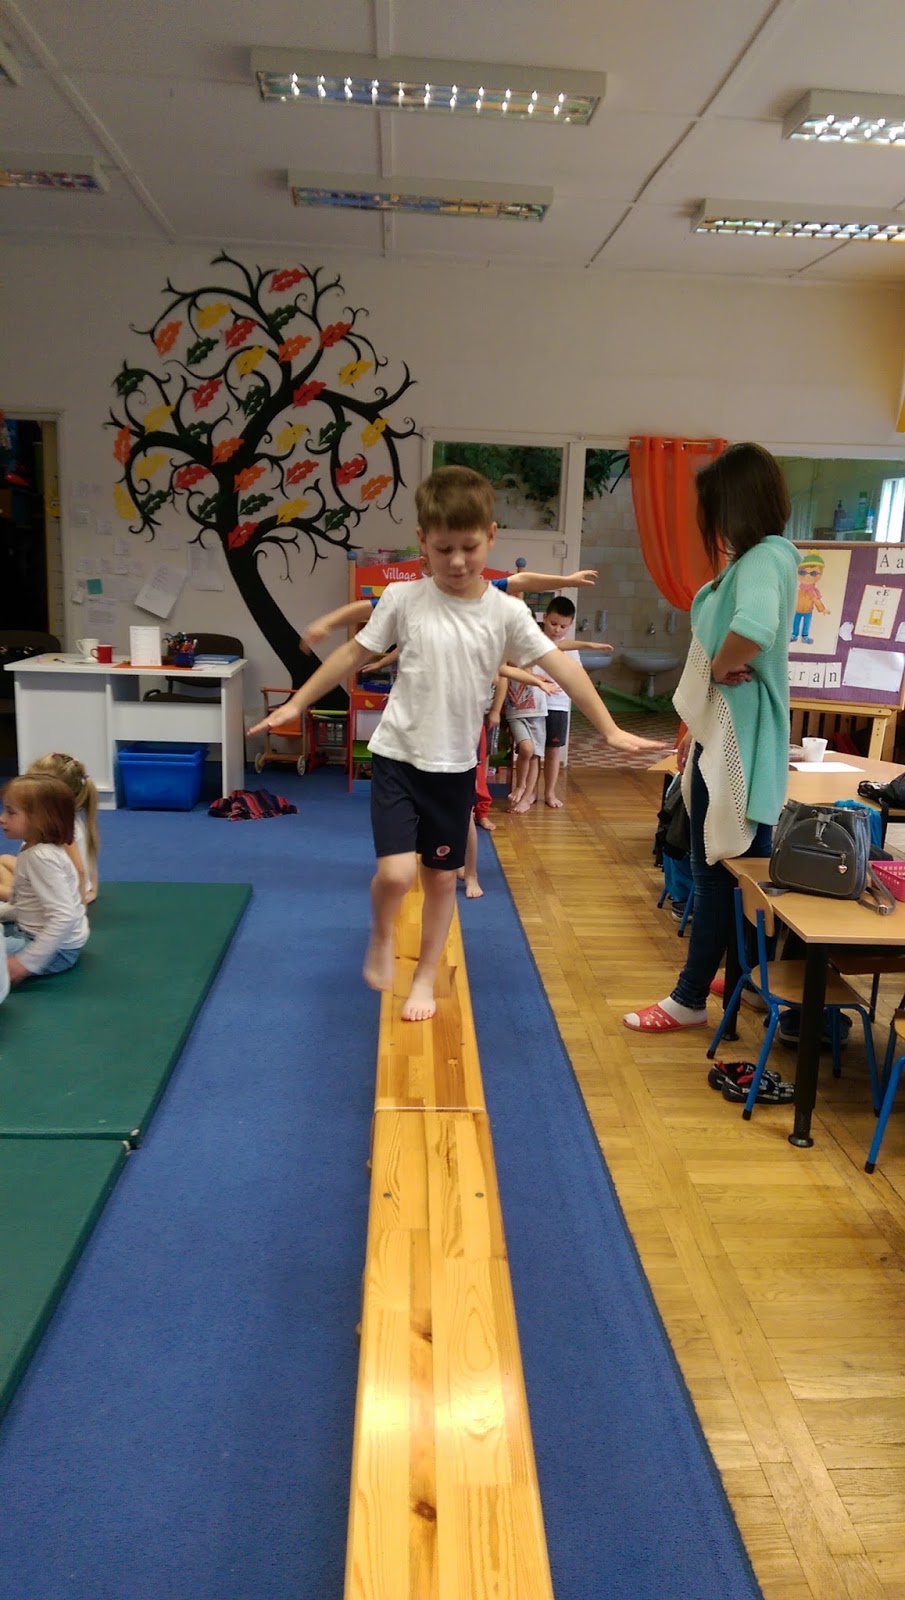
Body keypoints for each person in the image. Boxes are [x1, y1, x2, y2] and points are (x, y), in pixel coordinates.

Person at [251, 464, 667, 1022]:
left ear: (490, 537)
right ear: (422, 541)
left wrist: (610, 728)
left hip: (452, 767)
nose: (456, 562)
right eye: (443, 548)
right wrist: (298, 702)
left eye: (468, 548)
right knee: (395, 875)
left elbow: (564, 669)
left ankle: (425, 976)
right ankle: (381, 933)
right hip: (398, 757)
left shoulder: (507, 611)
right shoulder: (404, 599)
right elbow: (353, 653)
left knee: (441, 880)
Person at [624, 442, 798, 1033]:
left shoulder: (764, 558)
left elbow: (754, 628)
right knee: (734, 872)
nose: (713, 522)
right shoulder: (765, 557)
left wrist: (721, 667)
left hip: (738, 747)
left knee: (716, 873)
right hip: (730, 742)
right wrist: (696, 734)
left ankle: (690, 998)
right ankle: (747, 979)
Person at [298, 566, 601, 653]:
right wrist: (328, 622)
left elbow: (521, 580)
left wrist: (566, 580)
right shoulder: (410, 598)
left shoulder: (481, 591)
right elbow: (365, 608)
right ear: (426, 567)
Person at [0, 774, 90, 985]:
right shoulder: (32, 848)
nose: (2, 818)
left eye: (11, 812)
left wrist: (26, 962)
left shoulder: (40, 858)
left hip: (56, 951)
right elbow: (30, 904)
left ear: (39, 819)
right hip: (37, 934)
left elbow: (64, 916)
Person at [533, 595, 613, 809]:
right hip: (534, 704)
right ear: (544, 617)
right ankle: (530, 792)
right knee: (534, 751)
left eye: (563, 626)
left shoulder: (571, 649)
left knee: (553, 750)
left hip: (557, 704)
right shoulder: (534, 640)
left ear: (570, 625)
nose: (557, 630)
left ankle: (549, 792)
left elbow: (575, 675)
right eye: (553, 623)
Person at [20, 751, 100, 904]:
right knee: (4, 862)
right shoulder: (62, 819)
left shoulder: (60, 827)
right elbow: (89, 861)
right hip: (53, 879)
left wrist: (79, 903)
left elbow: (80, 870)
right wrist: (92, 889)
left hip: (60, 891)